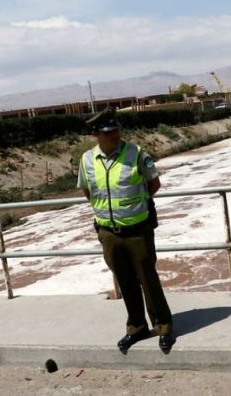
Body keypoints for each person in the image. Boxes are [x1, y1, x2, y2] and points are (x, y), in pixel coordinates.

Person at [77, 107, 175, 354]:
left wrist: (134, 208)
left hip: (138, 230)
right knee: (125, 281)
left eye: (117, 130)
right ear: (96, 134)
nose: (115, 135)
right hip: (108, 233)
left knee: (148, 279)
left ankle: (163, 327)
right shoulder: (87, 160)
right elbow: (88, 191)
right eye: (108, 132)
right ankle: (137, 327)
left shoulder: (136, 153)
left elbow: (154, 184)